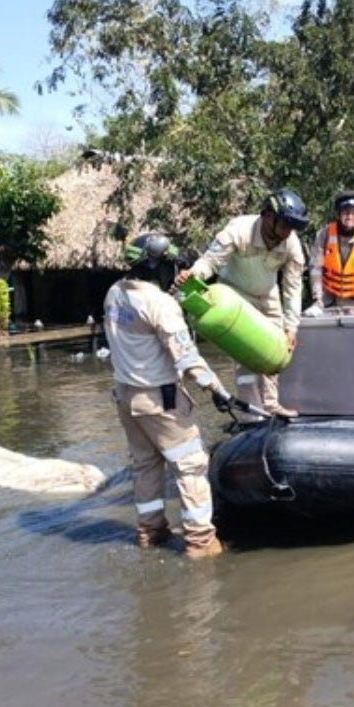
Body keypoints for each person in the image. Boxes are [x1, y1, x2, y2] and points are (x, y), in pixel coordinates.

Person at [104, 233, 228, 559]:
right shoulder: (161, 304)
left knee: (146, 465)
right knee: (190, 465)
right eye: (171, 267)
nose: (174, 275)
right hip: (160, 400)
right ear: (155, 265)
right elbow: (186, 359)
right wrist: (218, 390)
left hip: (126, 398)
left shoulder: (113, 293)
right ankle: (200, 542)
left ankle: (150, 530)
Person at [175, 188, 308, 417]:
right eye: (285, 224)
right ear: (268, 216)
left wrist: (292, 326)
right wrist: (193, 274)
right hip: (236, 295)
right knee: (246, 357)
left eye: (292, 227)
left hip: (268, 295)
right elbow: (211, 261)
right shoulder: (238, 230)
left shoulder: (291, 244)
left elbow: (293, 288)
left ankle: (271, 405)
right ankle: (252, 413)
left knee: (276, 349)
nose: (288, 232)